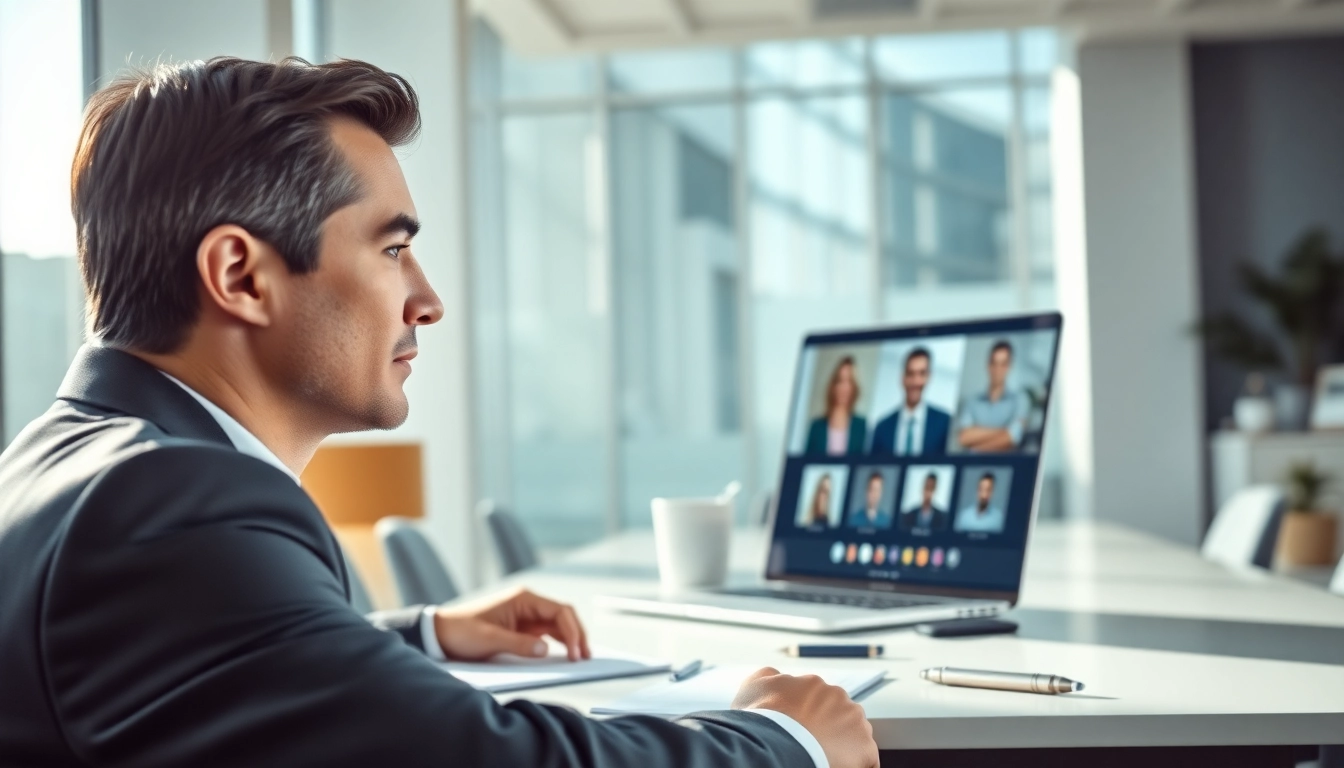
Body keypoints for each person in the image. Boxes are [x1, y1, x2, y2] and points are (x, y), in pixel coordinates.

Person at [0, 58, 878, 768]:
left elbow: (205, 656)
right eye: (392, 249)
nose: (428, 301)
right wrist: (782, 741)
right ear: (242, 276)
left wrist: (419, 636)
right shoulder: (172, 507)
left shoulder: (69, 465)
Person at [870, 347, 952, 457]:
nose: (916, 382)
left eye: (922, 374)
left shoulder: (944, 423)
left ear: (928, 377)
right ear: (902, 378)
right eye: (910, 374)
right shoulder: (882, 427)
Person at [956, 340, 1031, 453]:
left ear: (1009, 367)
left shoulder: (1020, 400)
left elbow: (1013, 437)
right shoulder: (972, 402)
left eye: (1003, 364)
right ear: (988, 365)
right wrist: (1003, 431)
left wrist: (975, 448)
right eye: (994, 363)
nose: (997, 370)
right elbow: (964, 437)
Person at [804, 356, 868, 456]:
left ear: (854, 387)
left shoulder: (861, 426)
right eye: (840, 381)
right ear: (833, 386)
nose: (844, 388)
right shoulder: (816, 427)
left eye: (849, 381)